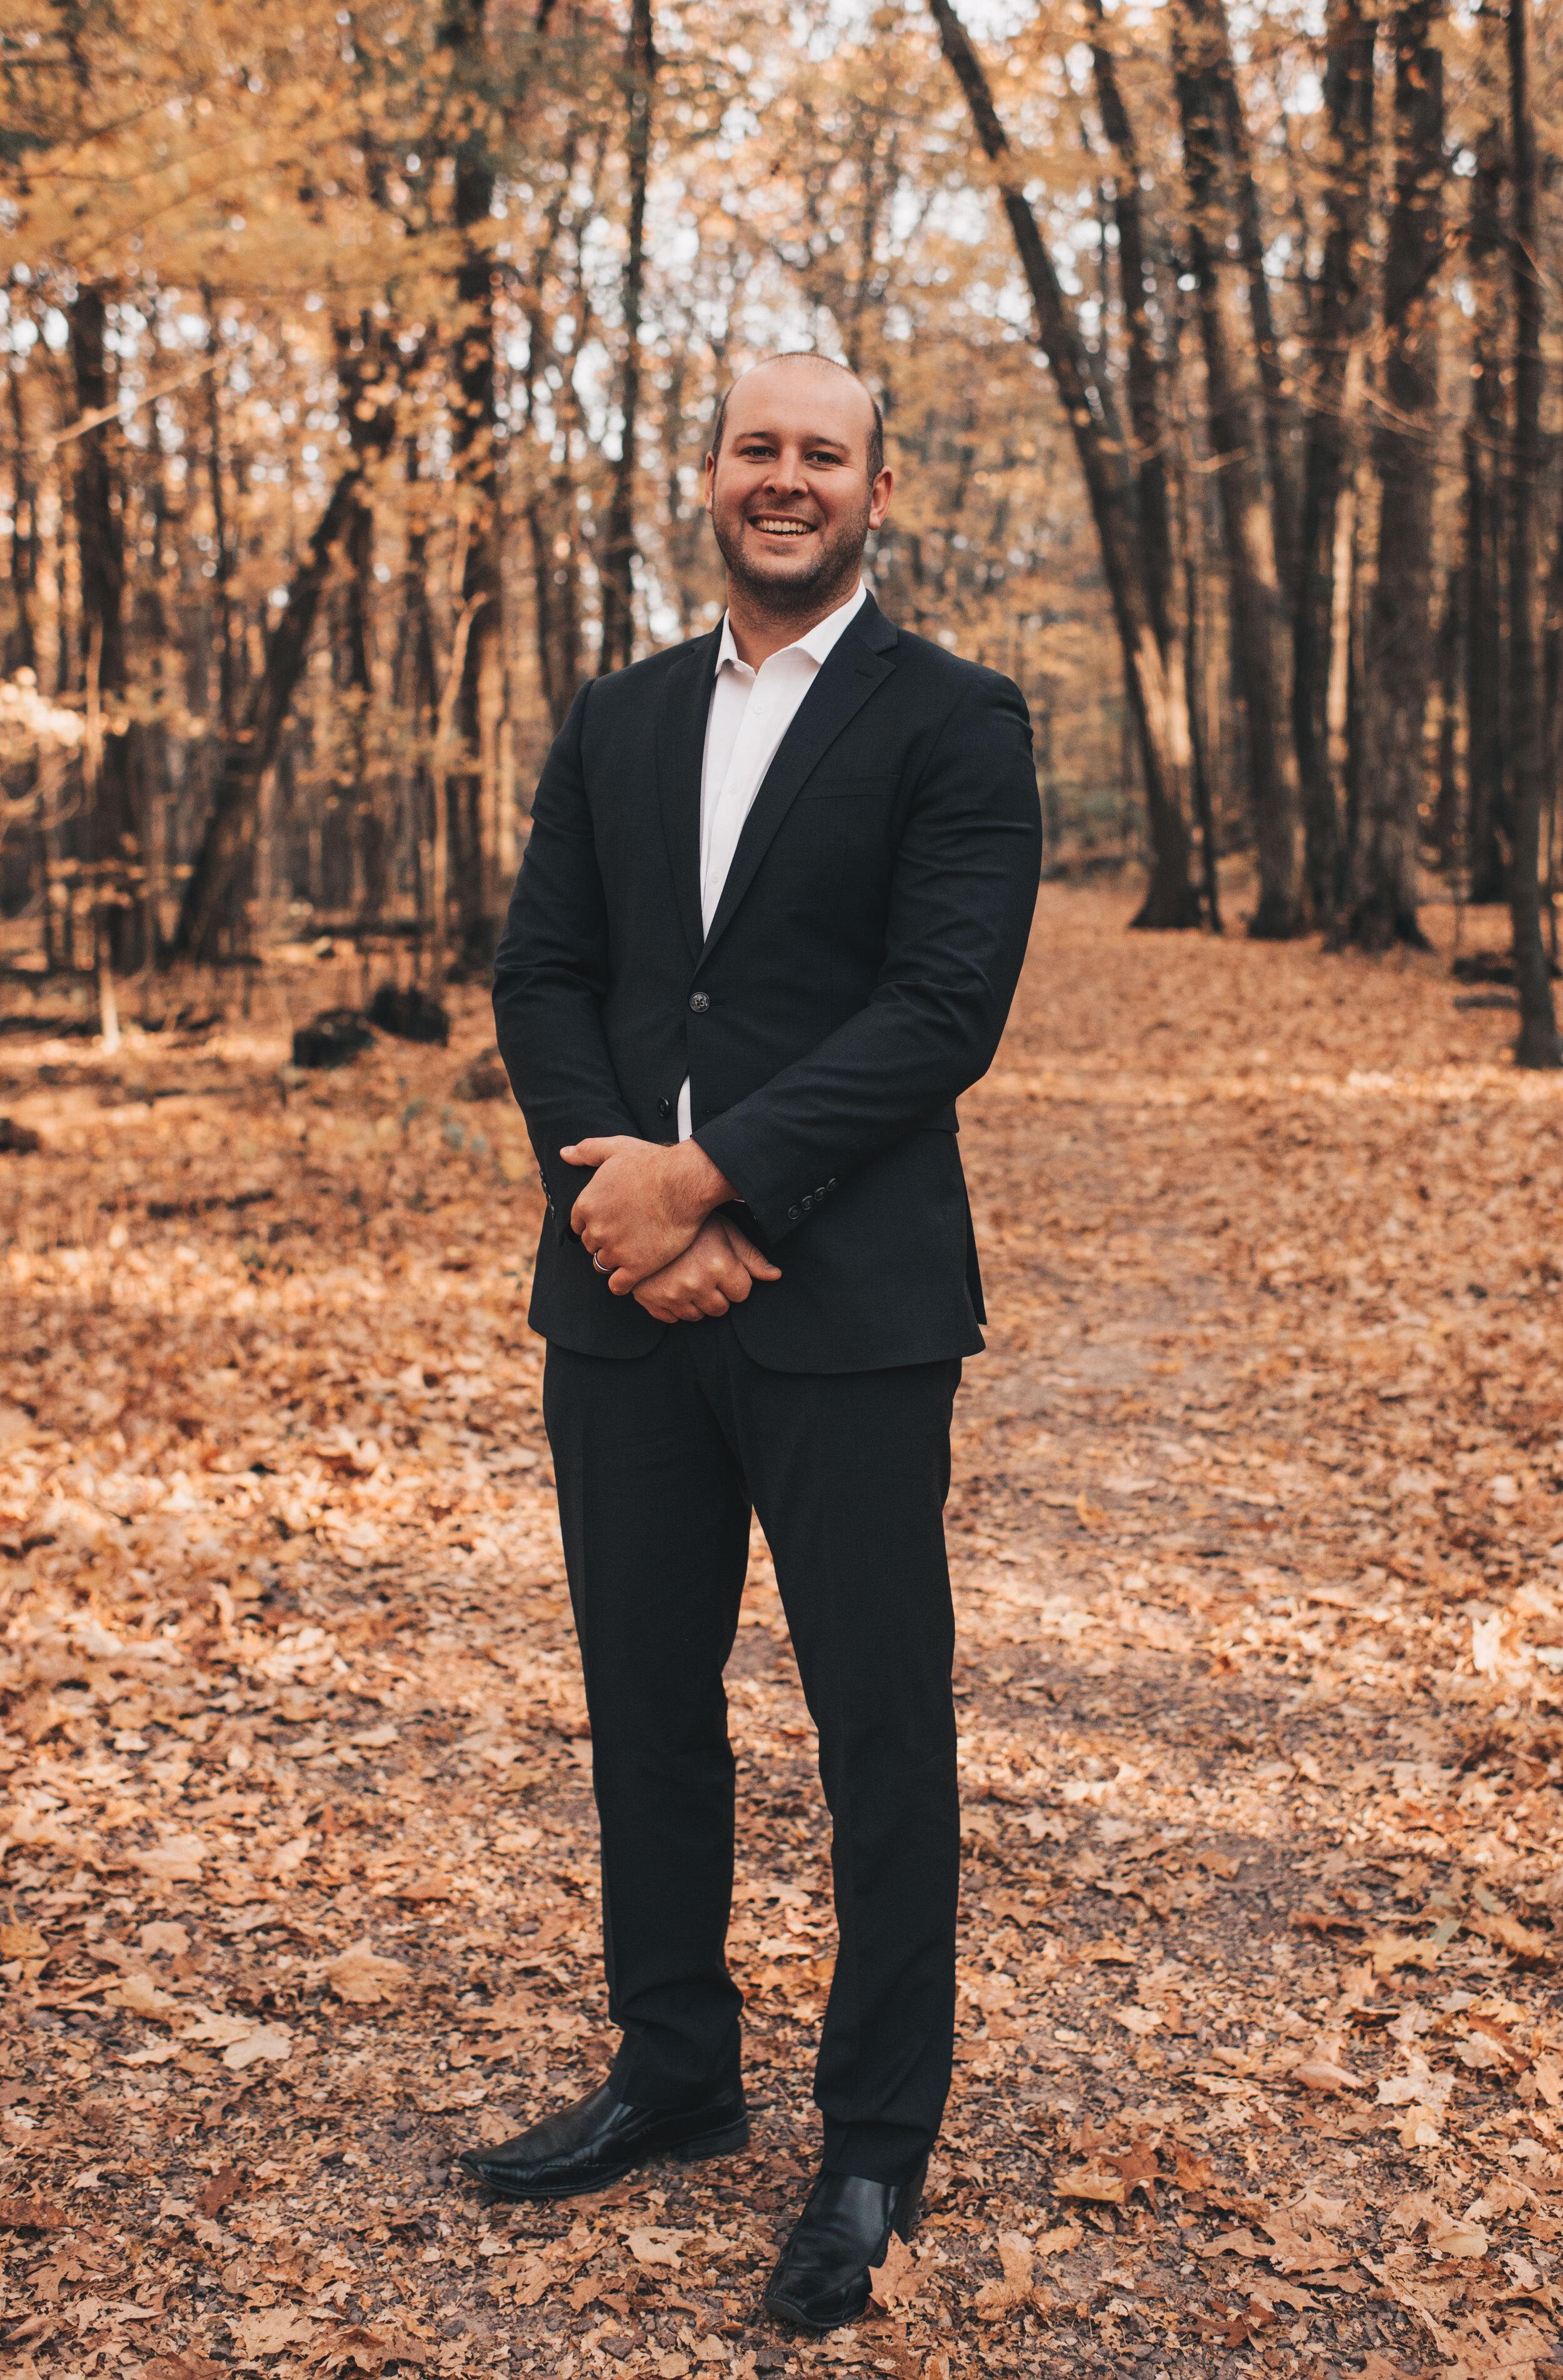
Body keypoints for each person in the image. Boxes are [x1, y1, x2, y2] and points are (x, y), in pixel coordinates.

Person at [463, 350, 1042, 2335]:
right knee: (647, 1701)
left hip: (851, 1306)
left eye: (820, 453)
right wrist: (616, 1205)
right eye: (752, 449)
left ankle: (871, 2137)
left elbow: (942, 1008)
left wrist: (709, 1187)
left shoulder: (957, 722)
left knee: (879, 1723)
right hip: (620, 1309)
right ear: (705, 478)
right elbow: (542, 970)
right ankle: (671, 2072)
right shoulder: (618, 716)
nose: (780, 480)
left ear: (879, 490)